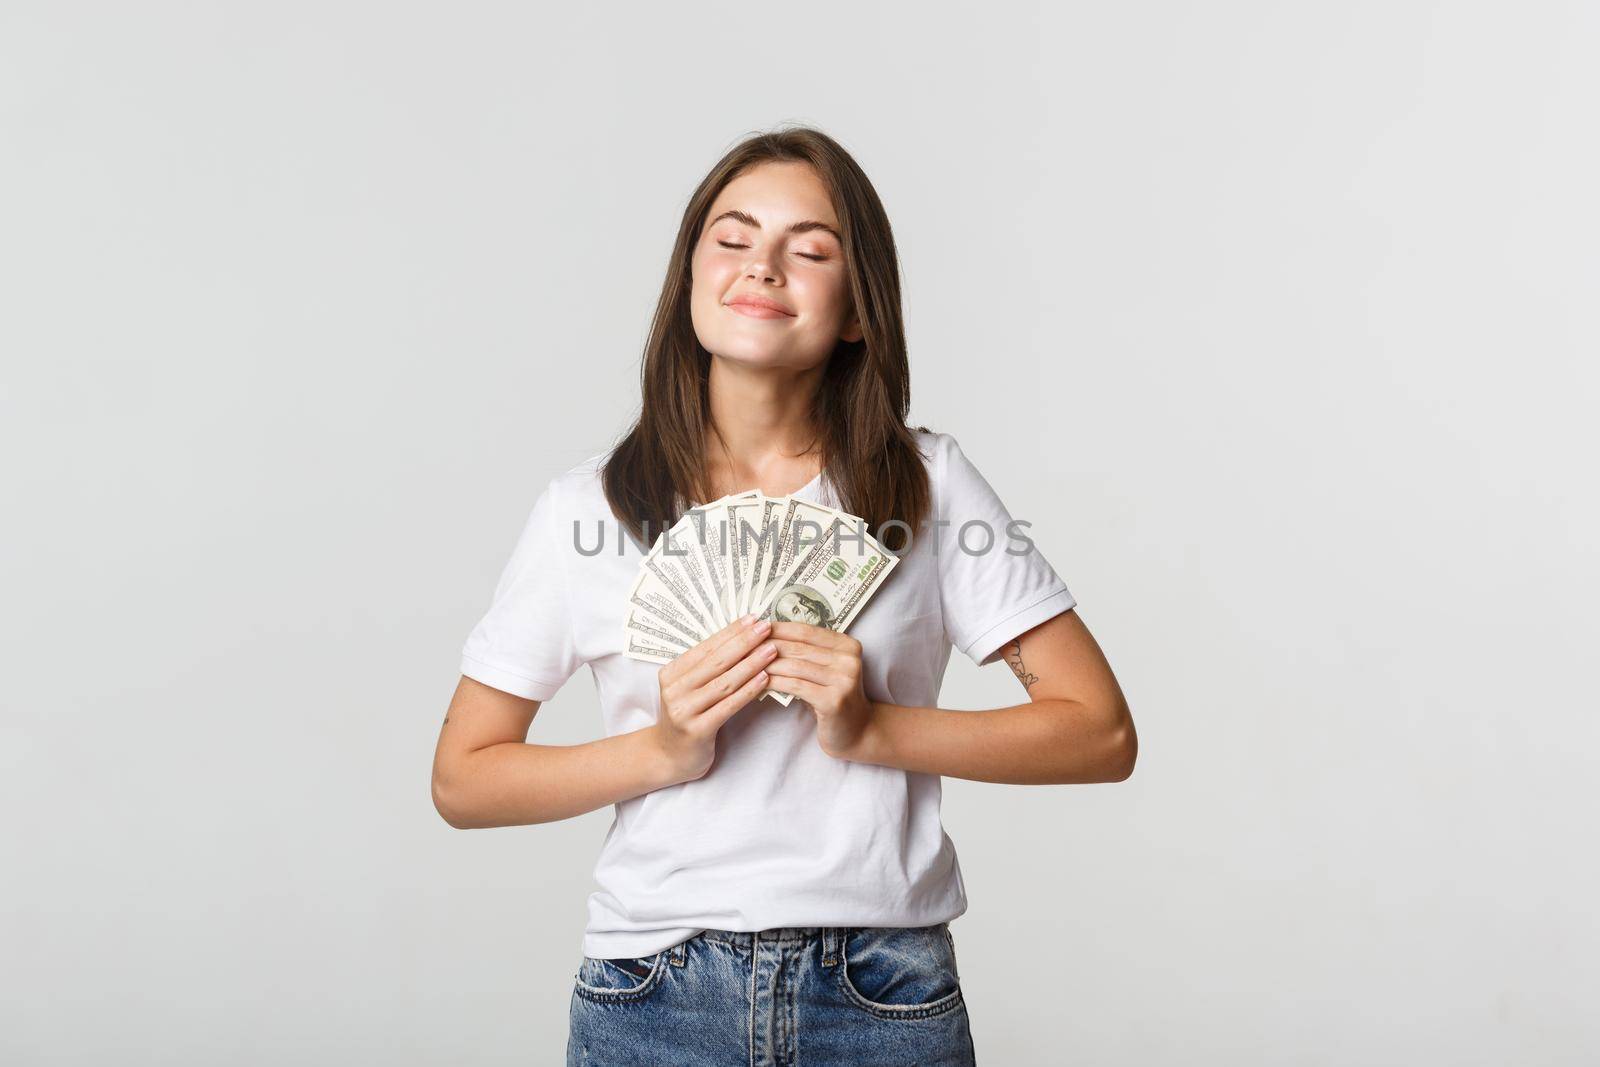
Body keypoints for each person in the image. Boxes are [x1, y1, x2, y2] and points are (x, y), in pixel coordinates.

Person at [431, 125, 1137, 1066]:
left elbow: (1099, 731)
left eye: (809, 250)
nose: (762, 267)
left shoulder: (928, 487)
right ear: (691, 281)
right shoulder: (583, 509)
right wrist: (664, 748)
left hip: (883, 988)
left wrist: (872, 729)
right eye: (733, 240)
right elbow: (463, 778)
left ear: (856, 310)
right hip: (651, 991)